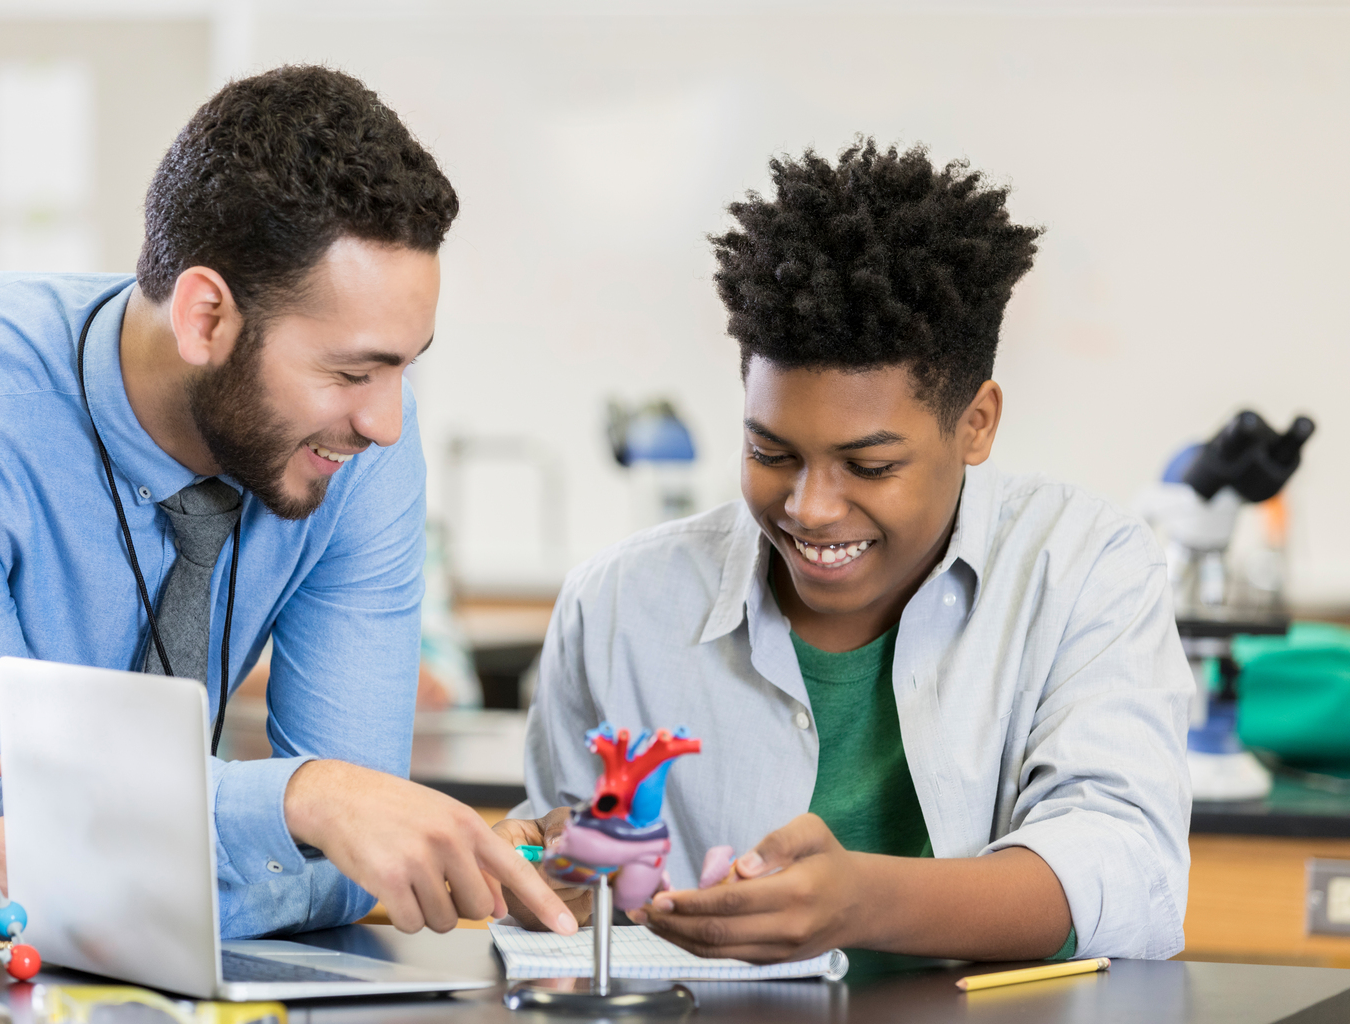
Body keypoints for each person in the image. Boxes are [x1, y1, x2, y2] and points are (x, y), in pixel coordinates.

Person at [0, 65, 573, 940]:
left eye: (404, 366)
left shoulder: (367, 440)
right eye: (350, 371)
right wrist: (306, 796)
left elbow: (355, 859)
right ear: (205, 317)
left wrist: (94, 878)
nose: (384, 421)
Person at [496, 140, 1191, 963]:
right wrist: (558, 874)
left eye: (870, 466)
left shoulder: (1085, 569)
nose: (810, 509)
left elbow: (1125, 868)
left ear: (976, 423)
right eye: (771, 452)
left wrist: (864, 903)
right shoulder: (617, 604)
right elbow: (570, 888)